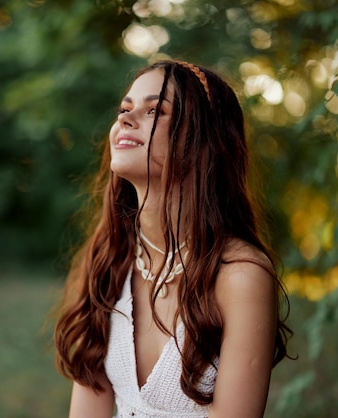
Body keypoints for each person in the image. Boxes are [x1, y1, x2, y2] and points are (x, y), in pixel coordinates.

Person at [53, 59, 293, 417]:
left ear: (201, 138)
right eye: (124, 108)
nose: (126, 119)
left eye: (155, 110)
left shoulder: (240, 275)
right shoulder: (109, 260)